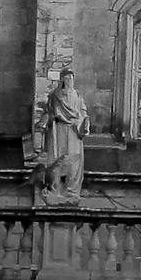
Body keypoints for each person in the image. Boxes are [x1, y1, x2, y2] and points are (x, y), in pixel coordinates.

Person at [28, 64, 87, 205]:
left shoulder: (78, 96)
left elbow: (83, 113)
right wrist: (42, 125)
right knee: (56, 160)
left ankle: (72, 192)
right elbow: (48, 112)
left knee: (74, 161)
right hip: (59, 130)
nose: (68, 81)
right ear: (62, 80)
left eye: (70, 78)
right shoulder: (55, 95)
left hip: (74, 132)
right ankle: (55, 189)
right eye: (66, 78)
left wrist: (84, 123)